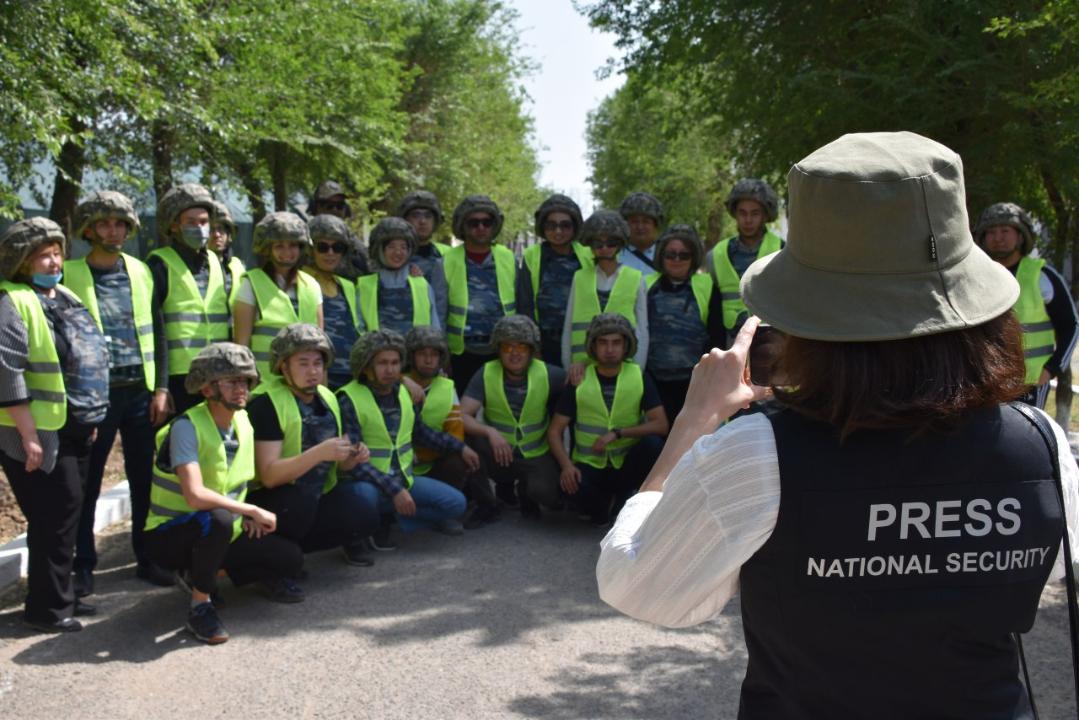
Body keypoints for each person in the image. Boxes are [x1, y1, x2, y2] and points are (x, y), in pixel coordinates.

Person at [596, 131, 1079, 718]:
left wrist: (694, 423)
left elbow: (637, 584)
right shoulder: (1042, 446)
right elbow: (1041, 568)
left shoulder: (758, 453)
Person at [143, 343, 303, 644]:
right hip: (170, 534)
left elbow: (238, 480)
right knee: (217, 519)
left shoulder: (243, 420)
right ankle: (200, 606)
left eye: (244, 381)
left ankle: (205, 572)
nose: (241, 388)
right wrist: (247, 511)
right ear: (206, 390)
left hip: (224, 526)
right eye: (231, 382)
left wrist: (246, 513)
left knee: (290, 559)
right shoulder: (186, 427)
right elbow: (194, 496)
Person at [0, 218, 109, 633]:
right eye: (43, 254)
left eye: (57, 252)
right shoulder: (12, 301)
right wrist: (28, 436)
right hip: (35, 431)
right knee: (54, 514)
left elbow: (86, 357)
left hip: (74, 424)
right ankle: (47, 608)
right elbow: (7, 372)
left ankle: (61, 596)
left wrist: (90, 414)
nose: (53, 260)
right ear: (22, 262)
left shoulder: (62, 296)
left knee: (70, 511)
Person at [65, 191, 174, 595]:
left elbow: (158, 331)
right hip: (93, 396)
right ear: (89, 229)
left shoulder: (141, 271)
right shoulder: (70, 273)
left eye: (120, 223)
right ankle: (83, 567)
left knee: (145, 480)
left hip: (139, 393)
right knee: (87, 482)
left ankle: (148, 559)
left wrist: (161, 387)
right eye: (104, 223)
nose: (113, 230)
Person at [246, 324, 379, 575]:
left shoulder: (328, 397)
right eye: (303, 363)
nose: (313, 371)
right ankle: (272, 560)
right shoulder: (266, 403)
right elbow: (269, 476)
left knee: (364, 506)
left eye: (318, 363)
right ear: (283, 367)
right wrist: (320, 452)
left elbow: (337, 465)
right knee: (297, 505)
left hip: (313, 498)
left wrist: (351, 457)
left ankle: (290, 550)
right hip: (272, 501)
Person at [337, 330, 476, 548]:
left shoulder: (404, 392)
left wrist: (461, 447)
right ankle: (363, 530)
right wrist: (395, 490)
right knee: (363, 497)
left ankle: (390, 518)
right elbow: (352, 463)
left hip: (404, 479)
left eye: (395, 362)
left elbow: (421, 433)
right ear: (365, 366)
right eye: (382, 363)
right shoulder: (348, 399)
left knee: (455, 504)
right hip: (367, 483)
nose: (390, 370)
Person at [549, 314, 667, 527]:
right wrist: (566, 466)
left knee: (653, 444)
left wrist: (618, 433)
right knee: (568, 489)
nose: (610, 349)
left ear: (626, 345)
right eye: (603, 342)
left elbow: (660, 424)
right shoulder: (579, 378)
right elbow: (555, 431)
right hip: (589, 464)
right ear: (593, 346)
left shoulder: (638, 375)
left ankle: (625, 496)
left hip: (624, 463)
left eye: (616, 343)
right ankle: (603, 506)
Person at [975, 201, 1078, 409]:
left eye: (1005, 230)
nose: (998, 238)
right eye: (991, 232)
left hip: (1029, 384)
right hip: (983, 383)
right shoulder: (975, 277)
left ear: (1021, 236)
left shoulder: (1042, 277)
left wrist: (1051, 369)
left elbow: (1071, 325)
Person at [461, 315, 565, 520]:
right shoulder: (486, 372)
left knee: (551, 498)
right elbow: (461, 414)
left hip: (536, 454)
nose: (515, 353)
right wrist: (489, 431)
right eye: (508, 347)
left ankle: (526, 492)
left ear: (532, 350)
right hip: (499, 452)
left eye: (522, 347)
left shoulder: (551, 374)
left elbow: (584, 385)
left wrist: (581, 368)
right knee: (465, 440)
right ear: (498, 350)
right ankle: (487, 505)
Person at [147, 183, 231, 414]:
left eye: (203, 222)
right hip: (179, 379)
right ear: (174, 226)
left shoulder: (217, 263)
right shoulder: (158, 264)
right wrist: (161, 388)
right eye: (191, 222)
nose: (200, 228)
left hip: (218, 374)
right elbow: (156, 330)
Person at [405, 325, 498, 528]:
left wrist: (456, 449)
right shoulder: (399, 385)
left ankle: (446, 512)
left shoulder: (447, 387)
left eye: (434, 354)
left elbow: (455, 434)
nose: (429, 360)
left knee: (462, 455)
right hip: (401, 466)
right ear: (411, 357)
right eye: (422, 354)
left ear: (442, 358)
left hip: (431, 462)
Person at [645, 224, 725, 421]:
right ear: (661, 257)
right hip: (653, 383)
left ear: (693, 258)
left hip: (694, 383)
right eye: (670, 255)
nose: (677, 260)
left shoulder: (706, 285)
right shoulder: (645, 284)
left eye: (684, 255)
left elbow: (717, 335)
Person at [232, 211, 323, 378]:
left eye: (293, 245)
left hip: (304, 387)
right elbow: (241, 347)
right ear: (268, 249)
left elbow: (321, 346)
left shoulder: (312, 285)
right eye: (279, 246)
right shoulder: (250, 284)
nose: (287, 252)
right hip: (264, 388)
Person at [443, 195, 517, 395]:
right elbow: (439, 311)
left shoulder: (507, 257)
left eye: (487, 222)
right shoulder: (446, 260)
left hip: (503, 349)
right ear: (463, 226)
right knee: (463, 415)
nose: (481, 227)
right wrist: (442, 354)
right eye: (473, 223)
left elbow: (521, 303)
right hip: (462, 353)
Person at [561, 210, 649, 375]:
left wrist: (639, 369)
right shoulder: (579, 278)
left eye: (611, 243)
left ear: (620, 244)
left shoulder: (636, 278)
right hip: (582, 369)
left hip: (624, 367)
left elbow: (642, 329)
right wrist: (568, 366)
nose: (604, 248)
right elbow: (568, 325)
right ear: (590, 246)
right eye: (598, 244)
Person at [704, 178, 783, 346]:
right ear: (735, 214)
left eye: (755, 213)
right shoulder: (717, 254)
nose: (748, 220)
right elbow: (713, 310)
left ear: (765, 215)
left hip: (773, 342)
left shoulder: (783, 251)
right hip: (731, 343)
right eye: (742, 213)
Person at [517, 194, 592, 366]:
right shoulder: (532, 255)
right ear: (543, 227)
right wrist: (533, 346)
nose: (558, 231)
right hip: (545, 342)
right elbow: (525, 304)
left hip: (582, 341)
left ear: (575, 227)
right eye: (552, 225)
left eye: (565, 225)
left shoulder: (587, 255)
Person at [305, 214, 361, 389]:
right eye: (322, 247)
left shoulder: (348, 286)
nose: (330, 253)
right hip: (316, 375)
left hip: (352, 376)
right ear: (310, 249)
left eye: (337, 247)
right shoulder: (300, 282)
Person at [356, 217, 439, 335]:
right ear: (380, 250)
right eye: (391, 247)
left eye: (403, 247)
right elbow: (358, 327)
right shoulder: (364, 286)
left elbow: (434, 328)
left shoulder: (422, 285)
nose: (398, 252)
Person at [396, 190, 449, 327]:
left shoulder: (447, 255)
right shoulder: (394, 257)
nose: (422, 221)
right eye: (416, 216)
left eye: (428, 216)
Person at [307, 179, 370, 276]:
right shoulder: (305, 234)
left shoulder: (350, 237)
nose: (335, 210)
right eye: (329, 205)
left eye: (339, 206)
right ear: (316, 207)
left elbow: (368, 262)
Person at [208, 199, 246, 310]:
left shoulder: (238, 267)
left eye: (221, 229)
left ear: (229, 235)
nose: (216, 235)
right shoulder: (194, 266)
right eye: (211, 229)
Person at [617, 191, 664, 276]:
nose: (640, 227)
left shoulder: (669, 254)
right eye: (634, 222)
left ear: (656, 225)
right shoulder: (613, 254)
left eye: (646, 222)